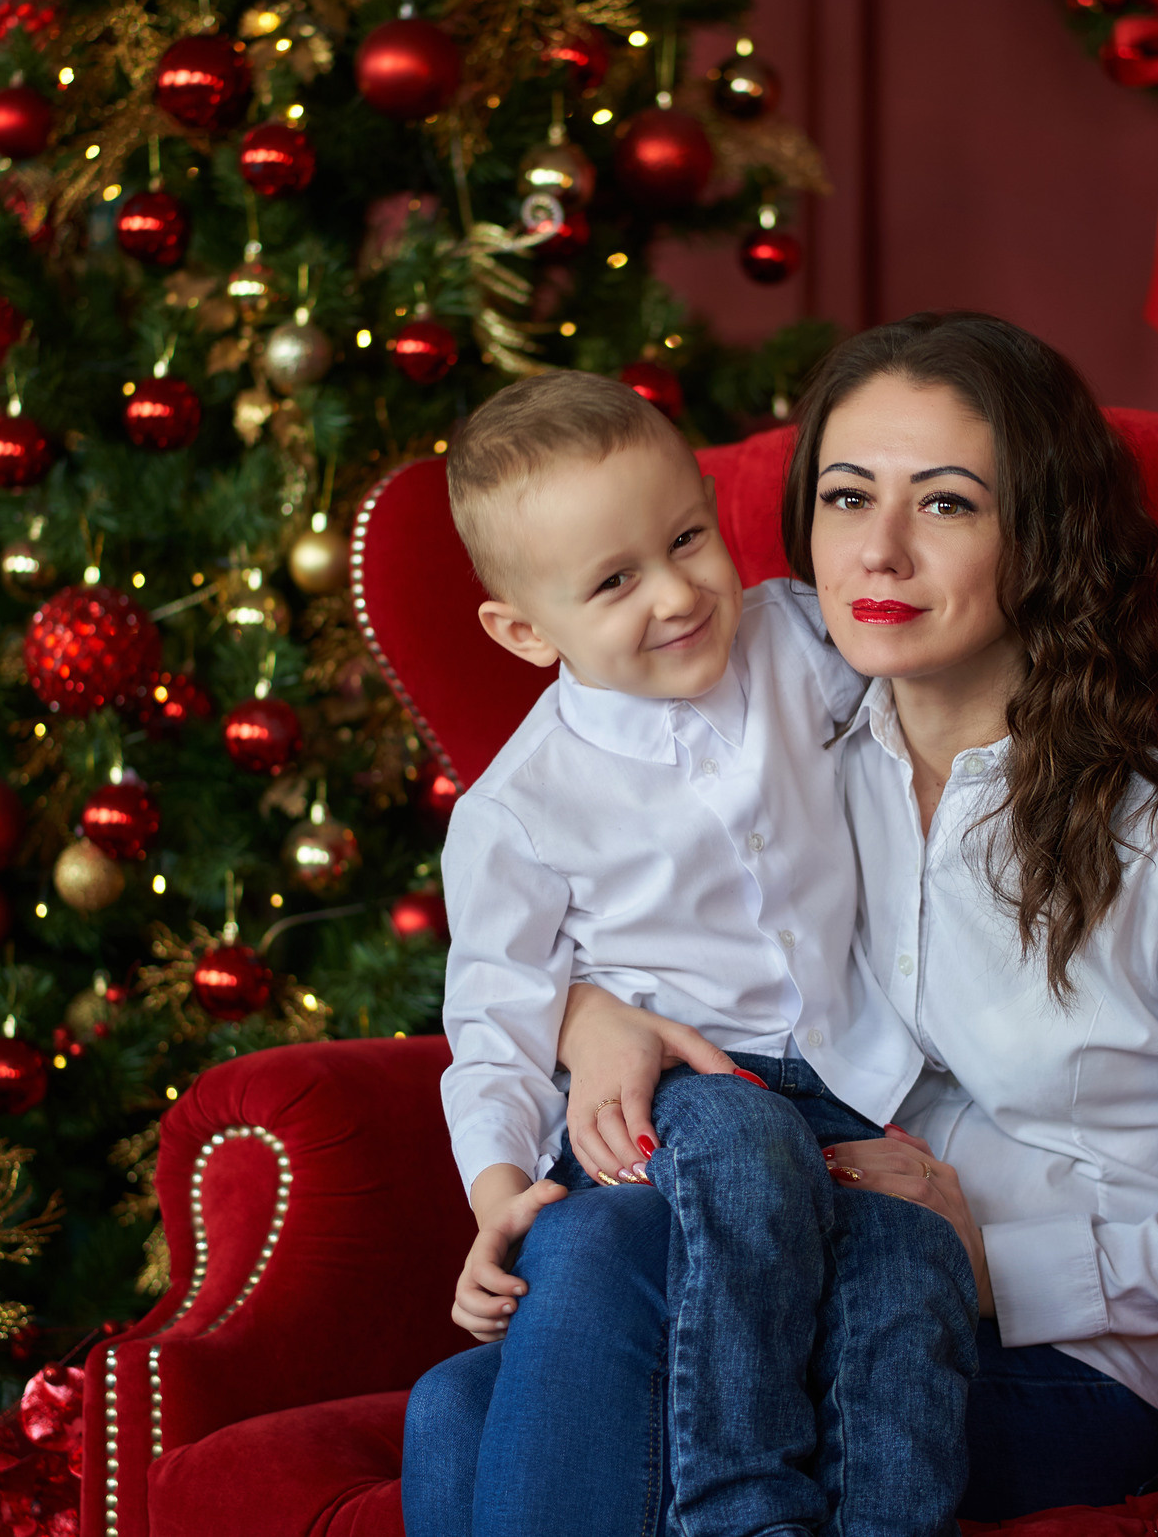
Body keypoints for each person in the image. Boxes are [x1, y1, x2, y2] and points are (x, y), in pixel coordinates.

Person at [537, 312, 1158, 1522]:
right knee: (461, 1402)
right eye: (843, 498)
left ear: (1041, 532)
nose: (877, 553)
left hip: (1063, 1367)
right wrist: (588, 1017)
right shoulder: (797, 763)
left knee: (592, 1356)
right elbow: (619, 929)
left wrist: (995, 1267)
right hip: (820, 1289)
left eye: (944, 505)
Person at [406, 370, 977, 1537]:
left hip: (848, 1087)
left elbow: (930, 683)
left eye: (686, 539)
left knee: (908, 1266)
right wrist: (501, 1193)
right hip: (673, 1112)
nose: (675, 595)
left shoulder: (795, 640)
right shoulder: (518, 808)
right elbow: (495, 1020)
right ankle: (738, 1503)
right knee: (738, 1133)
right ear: (523, 631)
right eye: (614, 582)